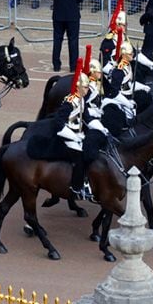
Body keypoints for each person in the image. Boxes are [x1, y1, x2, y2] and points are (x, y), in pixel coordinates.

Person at [56, 61, 95, 201]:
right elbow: (59, 123)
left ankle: (87, 181)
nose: (87, 90)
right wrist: (74, 136)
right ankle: (76, 187)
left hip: (78, 134)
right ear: (78, 87)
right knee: (79, 158)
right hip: (67, 135)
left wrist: (99, 128)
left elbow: (85, 118)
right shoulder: (70, 101)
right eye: (85, 87)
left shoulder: (81, 100)